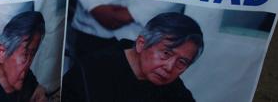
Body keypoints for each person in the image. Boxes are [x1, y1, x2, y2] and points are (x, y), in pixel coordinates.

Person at [62, 12, 203, 102]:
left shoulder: (174, 88)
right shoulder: (90, 71)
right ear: (141, 44)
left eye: (182, 62)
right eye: (166, 53)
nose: (169, 67)